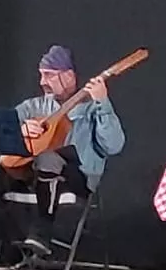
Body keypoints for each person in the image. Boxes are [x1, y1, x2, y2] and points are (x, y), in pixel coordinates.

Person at [9, 45, 126, 256]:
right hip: (35, 173)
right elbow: (3, 129)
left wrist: (102, 102)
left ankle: (41, 232)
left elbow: (114, 145)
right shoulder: (34, 106)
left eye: (49, 75)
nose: (42, 82)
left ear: (70, 76)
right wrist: (21, 129)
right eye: (41, 75)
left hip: (78, 175)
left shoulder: (92, 108)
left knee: (49, 158)